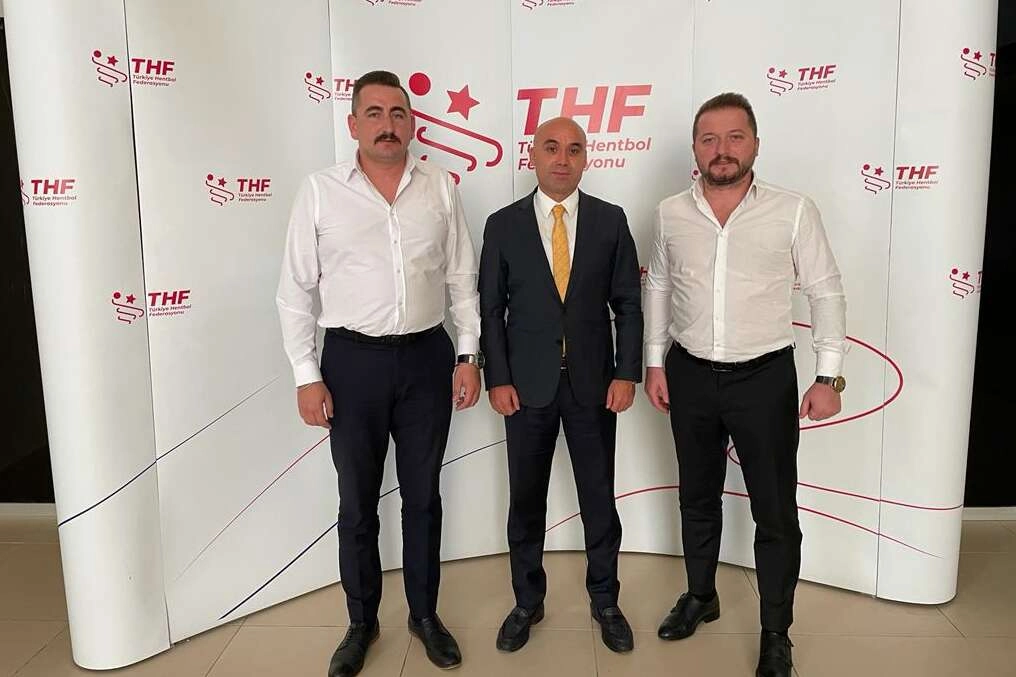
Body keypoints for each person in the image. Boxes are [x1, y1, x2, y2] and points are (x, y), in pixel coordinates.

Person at [276, 70, 483, 677]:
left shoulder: (439, 186)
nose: (387, 125)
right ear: (353, 124)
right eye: (374, 113)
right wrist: (306, 374)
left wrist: (468, 355)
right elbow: (295, 292)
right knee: (358, 502)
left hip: (426, 359)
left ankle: (424, 615)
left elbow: (461, 278)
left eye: (398, 113)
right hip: (351, 365)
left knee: (423, 498)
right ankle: (361, 622)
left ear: (412, 123)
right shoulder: (320, 191)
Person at [643, 93, 847, 677]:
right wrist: (655, 363)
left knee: (775, 511)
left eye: (735, 137)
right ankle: (700, 596)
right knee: (696, 496)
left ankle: (776, 633)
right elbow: (658, 287)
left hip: (764, 378)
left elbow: (826, 290)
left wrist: (828, 374)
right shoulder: (670, 213)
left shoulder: (793, 210)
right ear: (695, 149)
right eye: (709, 139)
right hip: (689, 373)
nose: (722, 150)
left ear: (755, 143)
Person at [478, 116, 643, 654]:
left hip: (594, 387)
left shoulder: (610, 221)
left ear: (586, 158)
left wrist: (626, 372)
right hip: (526, 390)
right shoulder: (502, 225)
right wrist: (498, 379)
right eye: (551, 148)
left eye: (574, 149)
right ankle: (527, 600)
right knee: (526, 501)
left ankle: (606, 600)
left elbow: (629, 304)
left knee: (599, 498)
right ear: (533, 155)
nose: (562, 159)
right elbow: (490, 310)